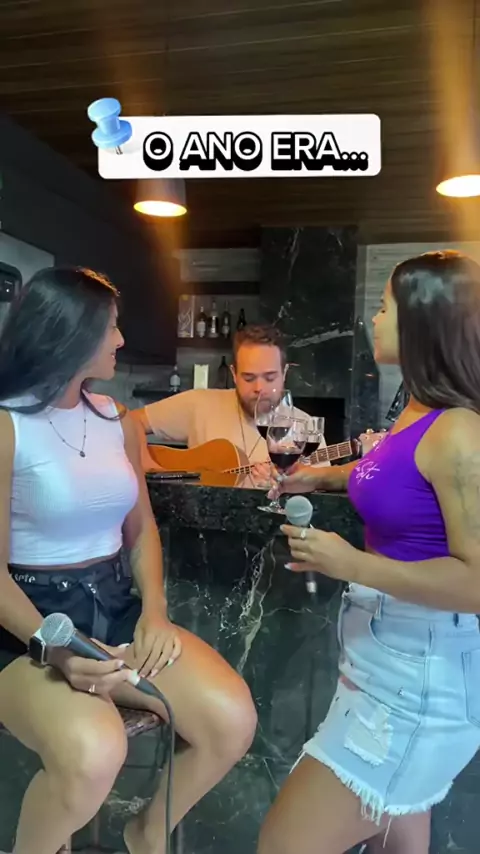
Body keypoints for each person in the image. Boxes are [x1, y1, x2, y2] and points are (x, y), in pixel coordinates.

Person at [0, 267, 257, 854]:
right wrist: (57, 650)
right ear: (69, 333)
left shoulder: (117, 420)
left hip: (114, 607)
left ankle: (145, 833)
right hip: (24, 626)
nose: (120, 340)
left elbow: (141, 532)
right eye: (111, 327)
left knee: (230, 720)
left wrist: (155, 612)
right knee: (95, 751)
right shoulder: (6, 426)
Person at [258, 250, 480, 854]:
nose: (373, 320)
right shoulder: (416, 410)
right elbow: (399, 473)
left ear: (423, 320)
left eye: (384, 307)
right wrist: (325, 477)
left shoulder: (459, 430)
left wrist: (350, 564)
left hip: (421, 679)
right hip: (384, 663)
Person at [131, 325, 329, 484]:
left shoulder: (307, 429)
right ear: (234, 374)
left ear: (284, 373)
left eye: (270, 378)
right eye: (249, 378)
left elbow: (316, 503)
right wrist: (148, 465)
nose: (259, 388)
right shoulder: (199, 403)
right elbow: (130, 421)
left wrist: (288, 487)